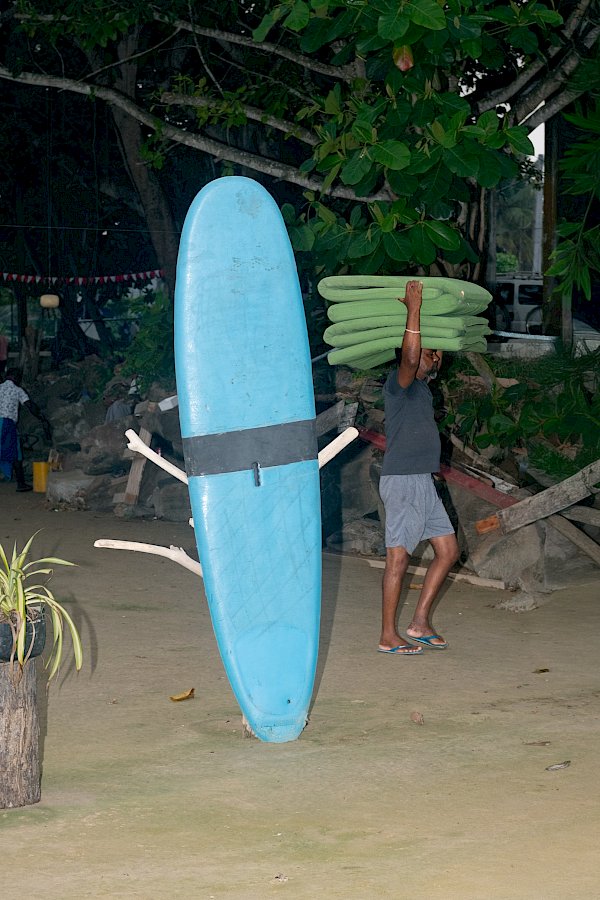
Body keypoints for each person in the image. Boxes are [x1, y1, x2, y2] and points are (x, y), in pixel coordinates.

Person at [378, 280, 459, 655]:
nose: (434, 358)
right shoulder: (399, 385)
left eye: (438, 355)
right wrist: (413, 310)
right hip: (403, 480)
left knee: (448, 550)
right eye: (430, 352)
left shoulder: (423, 390)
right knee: (399, 555)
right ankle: (387, 635)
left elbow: (422, 362)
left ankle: (420, 621)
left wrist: (433, 351)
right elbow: (410, 359)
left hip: (423, 483)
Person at [0, 368, 51, 492]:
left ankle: (21, 483)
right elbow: (30, 406)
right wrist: (42, 418)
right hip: (6, 423)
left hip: (8, 424)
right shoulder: (18, 390)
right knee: (14, 453)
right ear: (17, 377)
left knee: (16, 451)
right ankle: (21, 483)